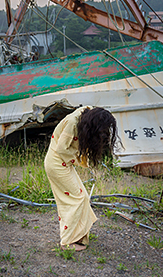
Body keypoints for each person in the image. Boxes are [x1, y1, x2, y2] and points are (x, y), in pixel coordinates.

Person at [44, 106, 118, 251]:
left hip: (63, 163)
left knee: (82, 197)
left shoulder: (86, 113)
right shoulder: (73, 122)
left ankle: (78, 235)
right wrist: (78, 160)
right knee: (76, 199)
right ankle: (67, 242)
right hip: (57, 163)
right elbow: (61, 149)